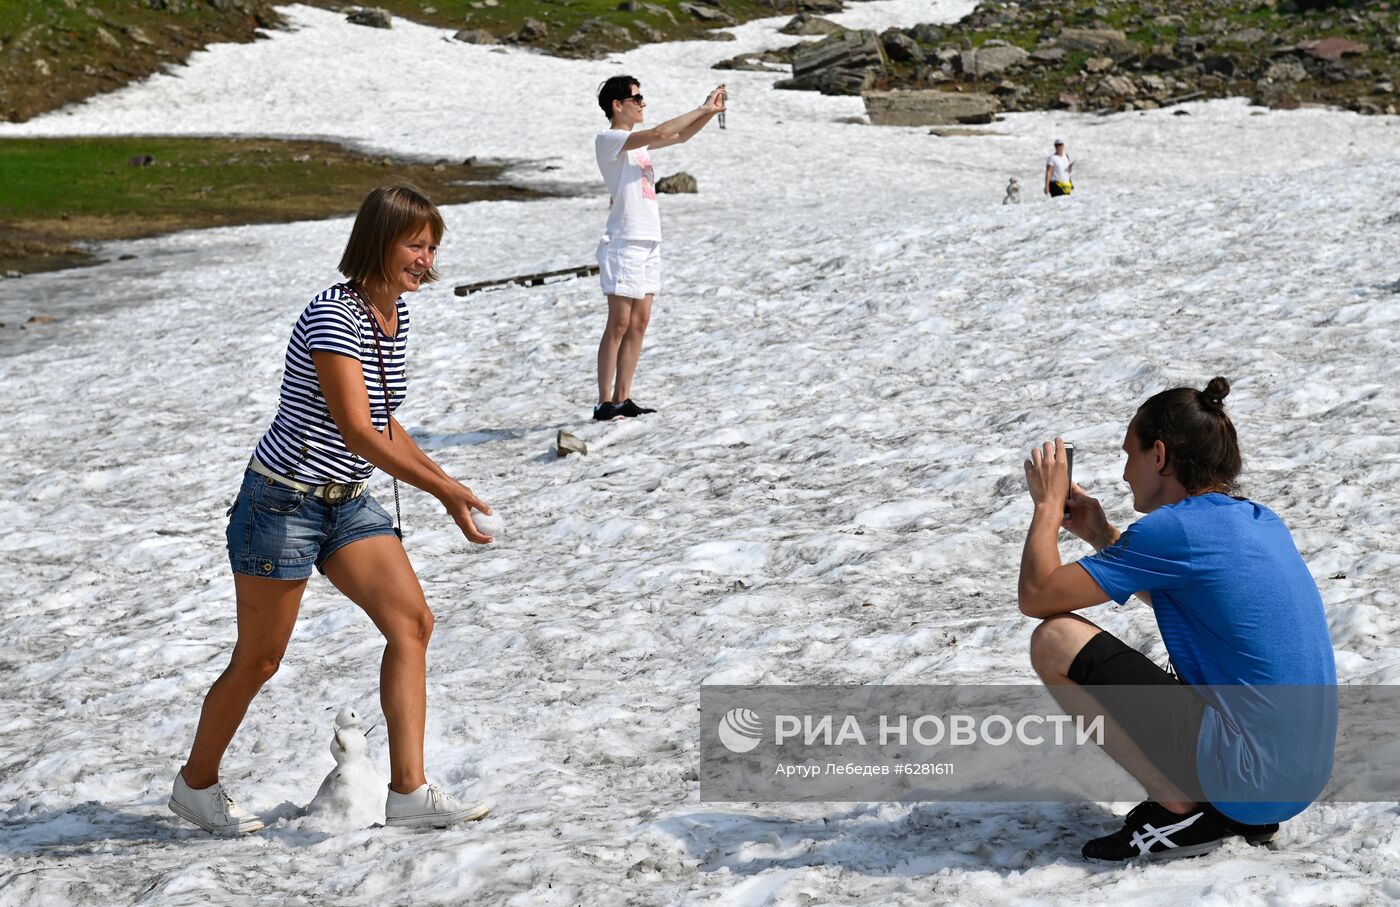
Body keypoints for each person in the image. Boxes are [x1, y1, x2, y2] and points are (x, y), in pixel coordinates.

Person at [169, 184, 497, 834]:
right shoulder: (332, 316)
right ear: (378, 240)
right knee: (260, 658)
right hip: (281, 501)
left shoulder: (393, 314)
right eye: (414, 243)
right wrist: (440, 489)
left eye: (432, 247)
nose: (425, 258)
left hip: (345, 502)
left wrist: (447, 483)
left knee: (412, 623)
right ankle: (195, 785)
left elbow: (383, 421)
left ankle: (408, 790)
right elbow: (357, 430)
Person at [1018, 377, 1336, 860]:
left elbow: (1038, 596)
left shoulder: (1173, 530)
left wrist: (1046, 505)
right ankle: (1224, 804)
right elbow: (1198, 598)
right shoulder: (1257, 519)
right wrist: (1103, 535)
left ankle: (1178, 806)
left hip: (1248, 776)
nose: (1126, 473)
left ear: (1160, 456)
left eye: (1130, 455)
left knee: (1055, 639)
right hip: (1294, 778)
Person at [591, 75, 726, 421]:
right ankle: (604, 402)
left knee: (640, 321)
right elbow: (664, 132)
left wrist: (710, 112)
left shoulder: (636, 146)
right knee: (619, 322)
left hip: (649, 238)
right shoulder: (609, 139)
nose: (643, 104)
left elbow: (680, 136)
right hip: (623, 239)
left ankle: (623, 398)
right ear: (617, 105)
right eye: (637, 98)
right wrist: (701, 106)